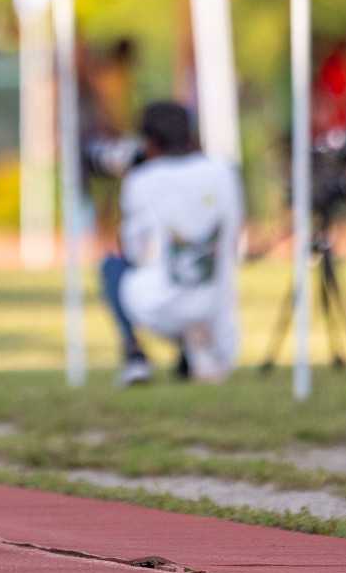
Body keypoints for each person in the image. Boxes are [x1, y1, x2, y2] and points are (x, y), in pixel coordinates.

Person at [101, 101, 243, 388]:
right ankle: (195, 348)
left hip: (161, 307)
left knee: (112, 267)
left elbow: (133, 252)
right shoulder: (224, 171)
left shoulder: (141, 181)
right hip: (216, 310)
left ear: (149, 142)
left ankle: (135, 355)